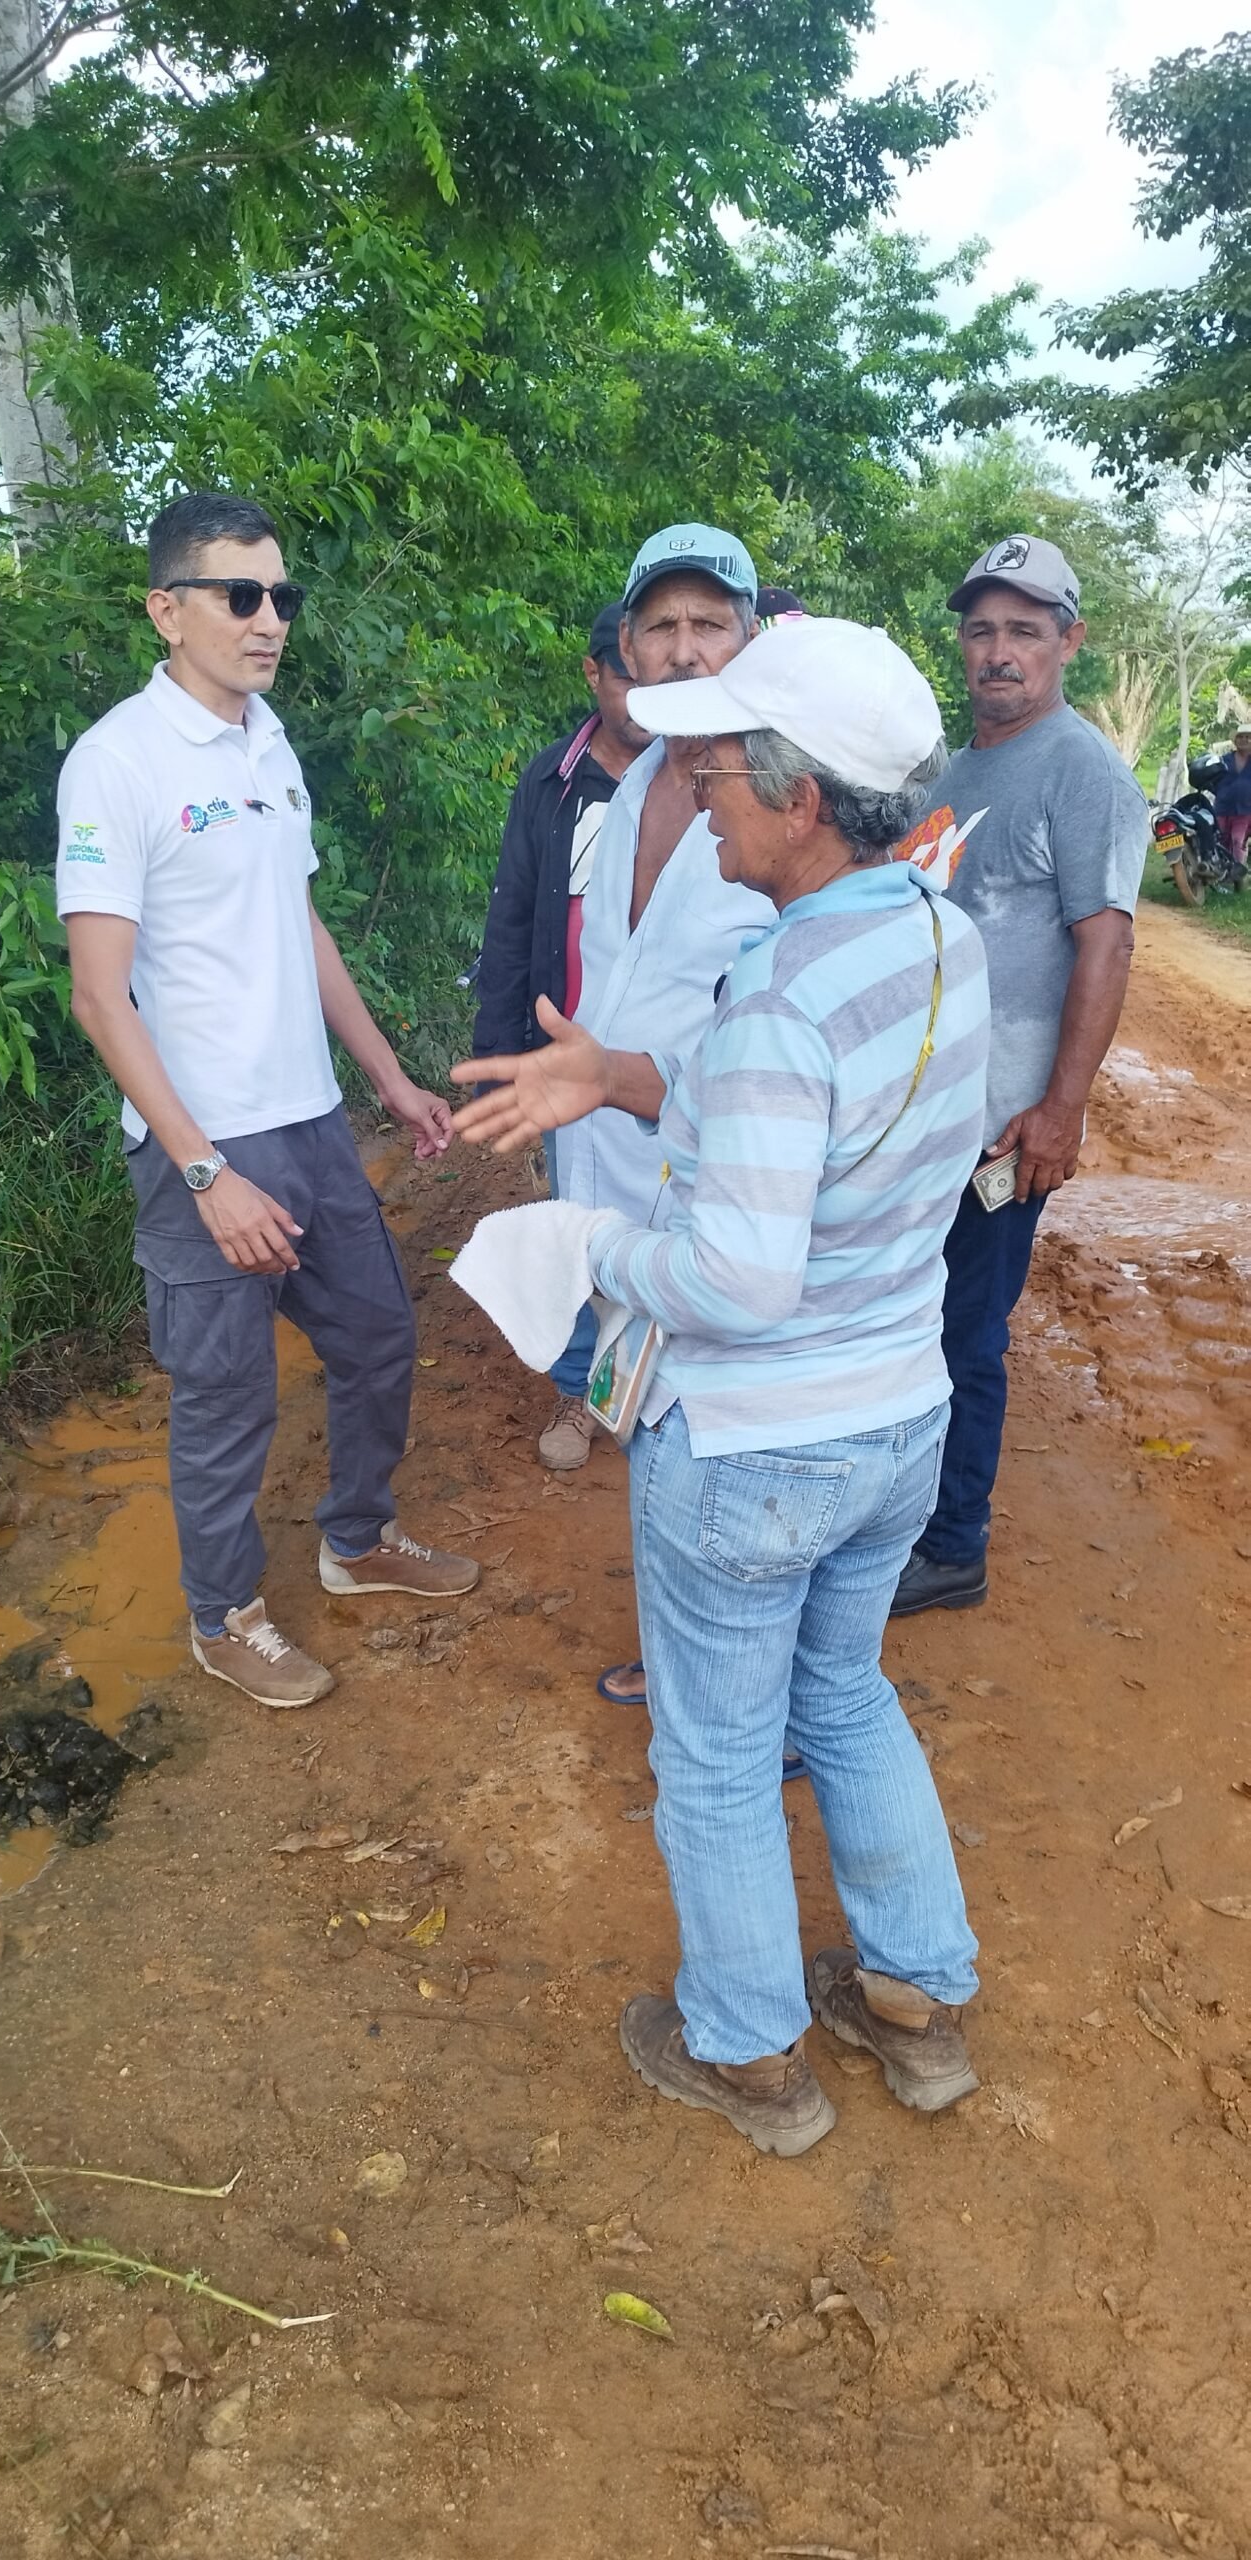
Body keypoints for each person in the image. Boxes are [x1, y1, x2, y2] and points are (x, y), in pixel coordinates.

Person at [452, 618, 992, 2158]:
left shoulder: (770, 1004)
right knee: (847, 1688)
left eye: (712, 776)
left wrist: (600, 1245)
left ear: (801, 798)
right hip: (895, 1420)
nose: (695, 803)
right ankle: (913, 2001)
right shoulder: (934, 938)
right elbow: (835, 1112)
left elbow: (738, 1271)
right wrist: (623, 1075)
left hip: (755, 1443)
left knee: (712, 1746)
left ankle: (751, 2052)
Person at [56, 491, 477, 1712]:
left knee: (377, 1336)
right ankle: (223, 1615)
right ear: (167, 608)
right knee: (228, 1394)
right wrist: (202, 1169)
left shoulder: (266, 739)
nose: (268, 618)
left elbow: (298, 923)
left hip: (305, 1119)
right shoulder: (118, 761)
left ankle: (356, 1540)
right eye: (241, 595)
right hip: (204, 1142)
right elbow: (99, 995)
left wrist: (388, 1080)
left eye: (281, 595)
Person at [889, 534, 1146, 1619]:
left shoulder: (1082, 770)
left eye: (1024, 632)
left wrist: (1060, 1110)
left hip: (1001, 1127)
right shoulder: (960, 768)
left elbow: (1106, 942)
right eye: (982, 629)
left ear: (1067, 643)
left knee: (966, 1332)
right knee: (911, 1320)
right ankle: (905, 1517)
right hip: (927, 1113)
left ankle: (952, 1545)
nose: (998, 651)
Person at [534, 523, 781, 1478]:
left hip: (708, 1149)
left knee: (705, 1411)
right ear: (625, 651)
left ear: (748, 640)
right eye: (662, 625)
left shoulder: (786, 799)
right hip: (598, 1133)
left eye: (710, 623)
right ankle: (601, 1410)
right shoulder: (630, 782)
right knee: (609, 1310)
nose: (684, 648)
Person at [471, 606, 649, 1065]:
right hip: (561, 1057)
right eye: (629, 682)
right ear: (593, 673)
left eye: (656, 684)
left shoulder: (697, 782)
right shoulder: (552, 779)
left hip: (656, 1064)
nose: (645, 700)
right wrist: (499, 1057)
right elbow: (512, 920)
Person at [1212, 726, 1251, 879]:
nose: (1245, 740)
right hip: (1222, 807)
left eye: (1248, 737)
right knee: (1221, 840)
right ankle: (1222, 873)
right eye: (1241, 737)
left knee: (1237, 840)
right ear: (1235, 740)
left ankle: (1237, 876)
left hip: (1245, 810)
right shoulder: (1224, 760)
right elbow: (1214, 779)